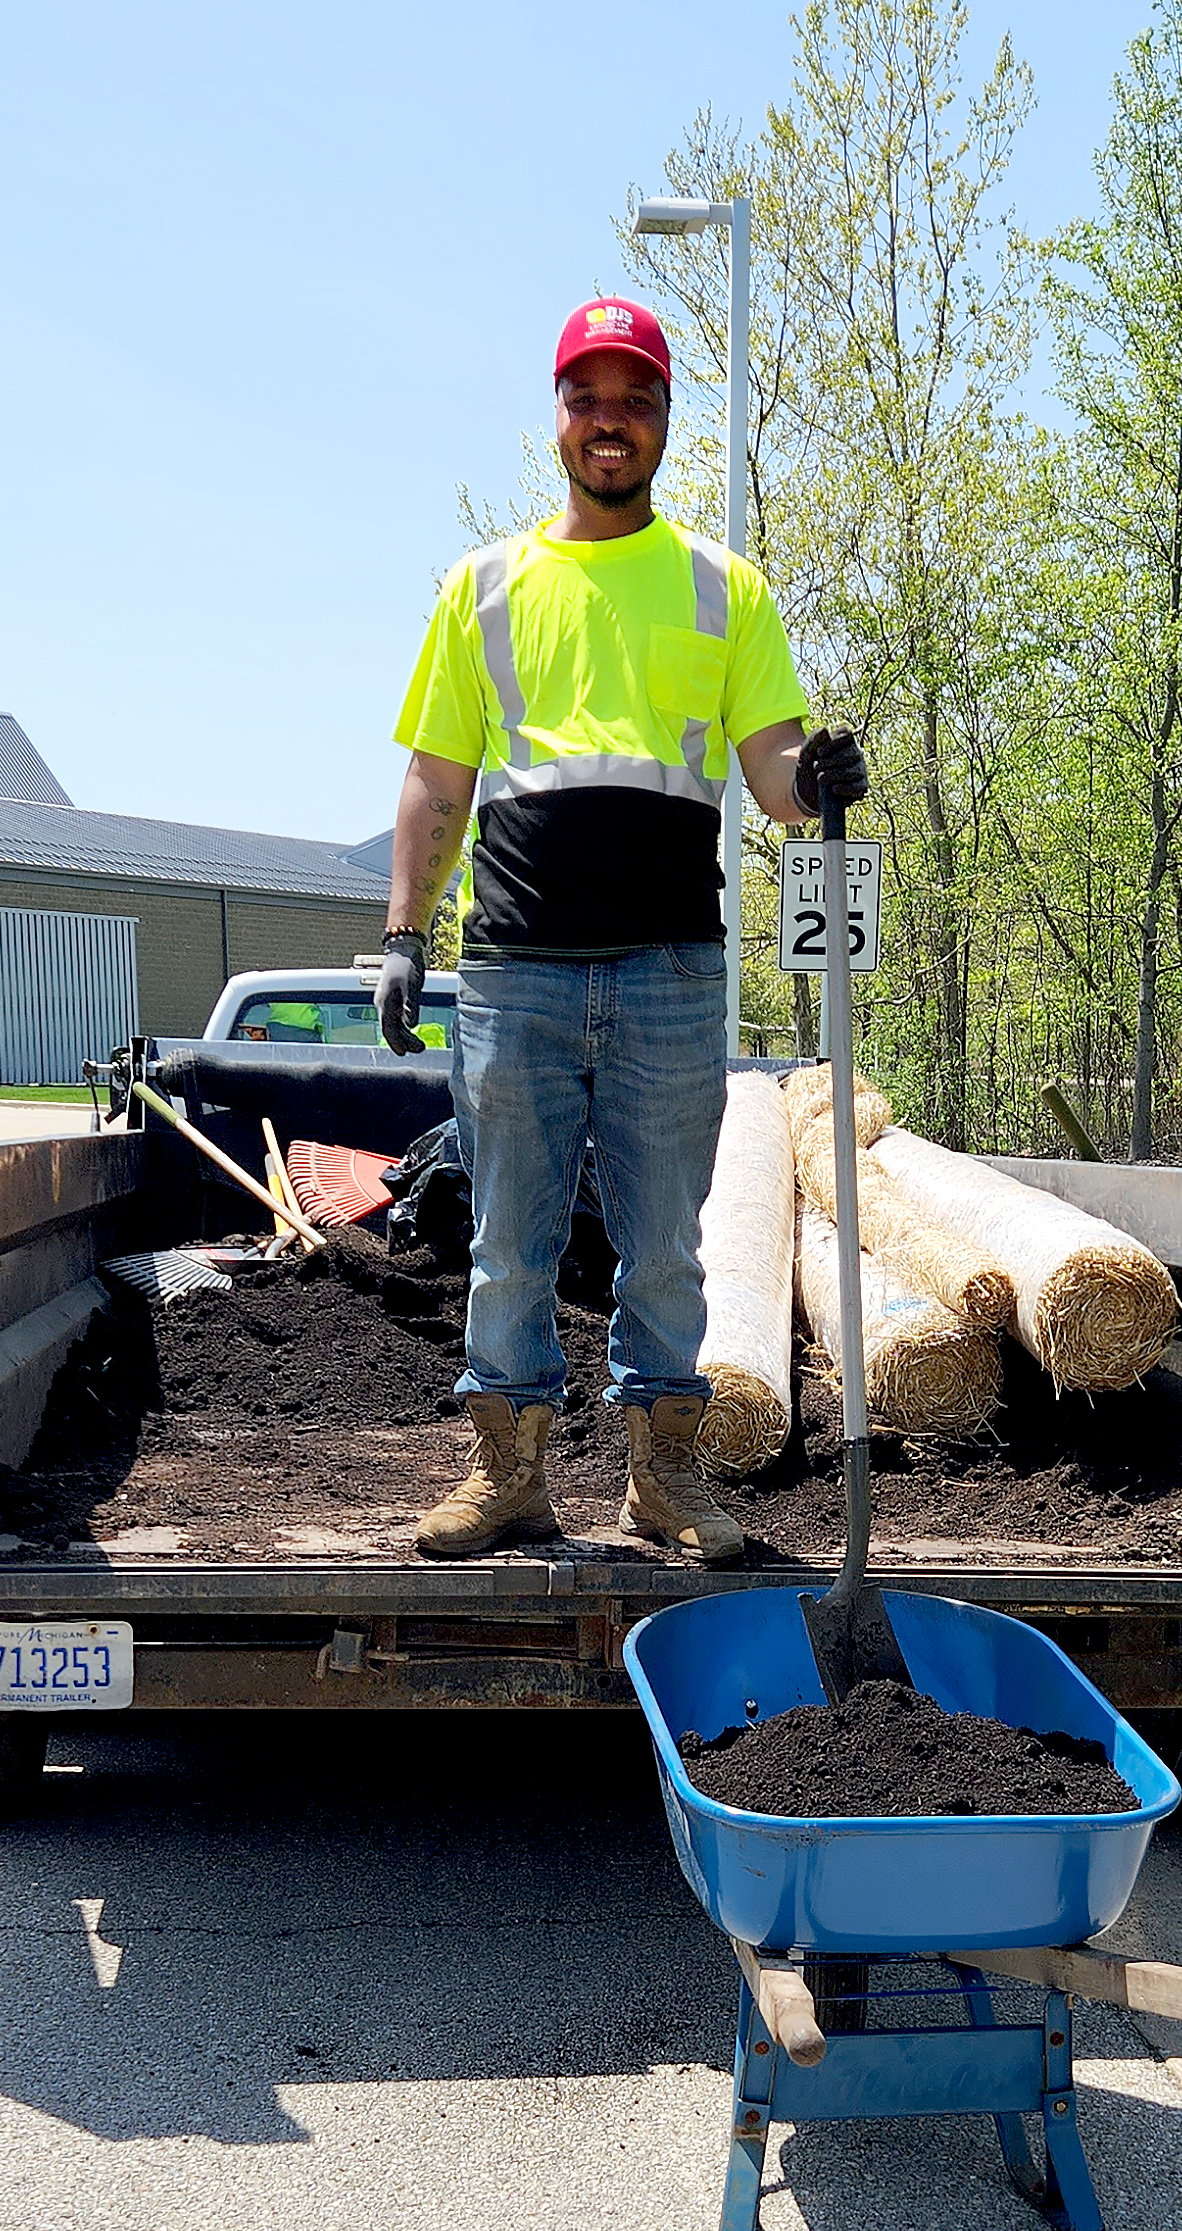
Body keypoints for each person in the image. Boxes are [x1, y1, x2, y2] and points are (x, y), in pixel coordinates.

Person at [376, 295, 867, 1562]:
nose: (611, 420)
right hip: (515, 977)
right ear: (557, 415)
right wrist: (400, 935)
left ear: (661, 421)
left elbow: (770, 778)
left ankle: (662, 1481)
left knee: (663, 1247)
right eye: (588, 397)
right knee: (507, 1244)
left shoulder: (724, 591)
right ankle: (508, 1479)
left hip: (667, 973)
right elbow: (438, 782)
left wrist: (819, 780)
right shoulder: (483, 587)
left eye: (634, 398)